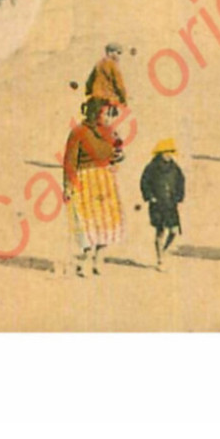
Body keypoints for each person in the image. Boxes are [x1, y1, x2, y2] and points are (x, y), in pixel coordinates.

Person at [63, 98, 126, 277]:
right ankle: (85, 259)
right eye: (105, 113)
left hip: (104, 180)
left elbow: (115, 154)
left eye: (110, 114)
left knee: (106, 221)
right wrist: (68, 185)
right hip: (84, 180)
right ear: (94, 113)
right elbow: (70, 161)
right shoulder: (79, 133)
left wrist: (117, 157)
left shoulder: (110, 132)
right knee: (86, 223)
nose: (108, 117)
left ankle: (99, 258)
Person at [139, 138, 185, 271]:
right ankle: (160, 259)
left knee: (174, 231)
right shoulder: (152, 167)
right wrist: (150, 197)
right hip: (158, 204)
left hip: (171, 204)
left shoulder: (175, 168)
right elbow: (144, 182)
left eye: (171, 152)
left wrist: (179, 196)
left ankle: (164, 250)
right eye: (166, 152)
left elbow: (181, 182)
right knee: (160, 231)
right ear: (160, 153)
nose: (169, 155)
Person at [84, 43, 129, 118]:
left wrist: (89, 93)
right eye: (117, 53)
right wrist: (123, 100)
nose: (119, 56)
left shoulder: (98, 64)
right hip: (107, 100)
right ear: (110, 52)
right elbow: (119, 85)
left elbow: (89, 82)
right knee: (112, 124)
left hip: (95, 98)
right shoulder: (113, 65)